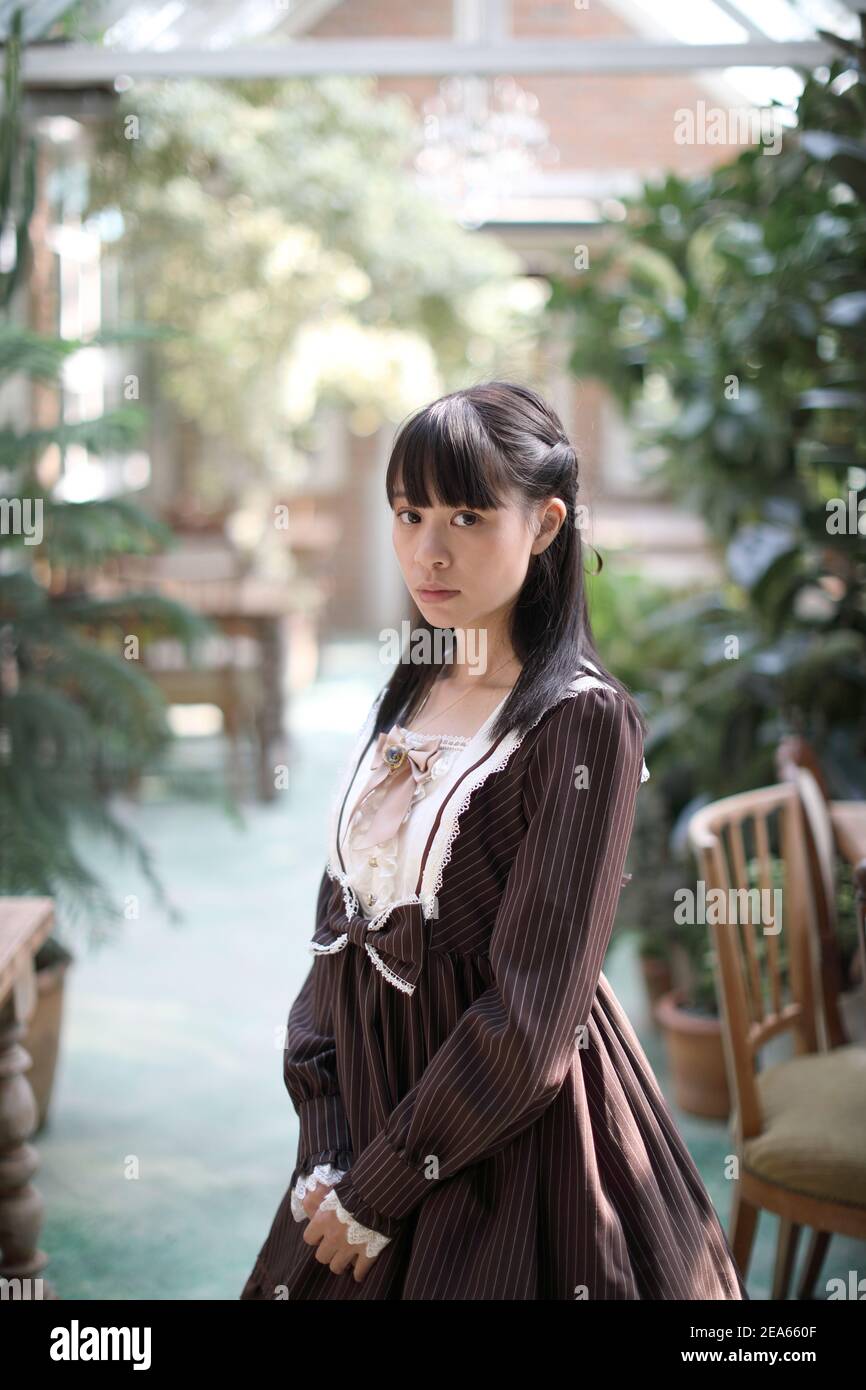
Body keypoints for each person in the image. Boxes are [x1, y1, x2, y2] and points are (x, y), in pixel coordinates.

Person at [240, 381, 748, 1300]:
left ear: (546, 524)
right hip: (363, 1138)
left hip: (507, 1144)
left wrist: (381, 1190)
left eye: (468, 516)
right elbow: (337, 935)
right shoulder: (410, 690)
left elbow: (531, 1014)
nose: (428, 551)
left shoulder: (580, 723)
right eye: (409, 514)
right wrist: (326, 1144)